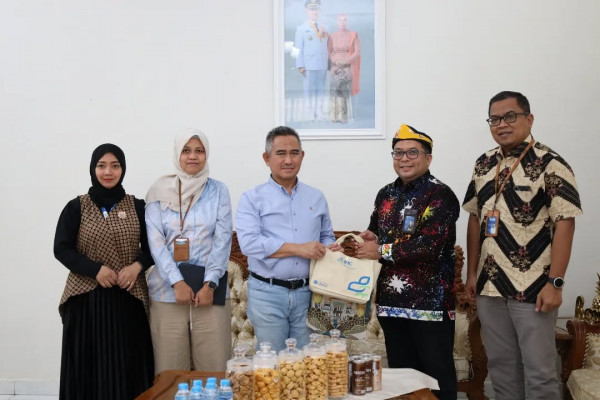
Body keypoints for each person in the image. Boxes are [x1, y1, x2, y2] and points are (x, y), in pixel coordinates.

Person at [463, 91, 582, 400]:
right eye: (495, 119)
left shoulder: (551, 163)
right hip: (490, 284)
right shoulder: (483, 163)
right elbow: (475, 218)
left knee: (540, 373)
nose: (502, 124)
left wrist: (555, 283)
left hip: (533, 287)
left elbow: (566, 222)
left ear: (529, 119)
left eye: (510, 116)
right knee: (501, 370)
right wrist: (472, 274)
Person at [355, 124, 459, 400]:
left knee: (436, 380)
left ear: (428, 158)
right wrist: (370, 237)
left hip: (429, 306)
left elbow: (430, 246)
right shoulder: (386, 194)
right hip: (391, 304)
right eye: (398, 152)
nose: (404, 158)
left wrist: (380, 250)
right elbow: (377, 230)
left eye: (413, 152)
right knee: (403, 382)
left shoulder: (440, 194)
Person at [54, 143, 154, 400]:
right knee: (86, 367)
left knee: (127, 364)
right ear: (93, 168)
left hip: (128, 298)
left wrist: (137, 266)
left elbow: (155, 248)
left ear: (123, 169)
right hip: (86, 302)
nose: (108, 172)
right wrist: (95, 270)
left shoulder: (138, 207)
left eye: (115, 165)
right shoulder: (76, 207)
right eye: (101, 165)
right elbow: (61, 248)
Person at [235, 126, 339, 352]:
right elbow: (249, 244)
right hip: (267, 293)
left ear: (302, 156)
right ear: (267, 158)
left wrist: (332, 249)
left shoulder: (316, 196)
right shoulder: (251, 198)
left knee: (305, 363)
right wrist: (298, 249)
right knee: (271, 361)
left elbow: (326, 236)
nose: (288, 160)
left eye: (294, 153)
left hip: (309, 293)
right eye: (281, 153)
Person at [145, 129, 232, 373]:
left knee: (214, 370)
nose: (192, 156)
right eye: (186, 150)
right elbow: (156, 243)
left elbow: (223, 240)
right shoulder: (158, 191)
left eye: (199, 150)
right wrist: (177, 282)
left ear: (206, 154)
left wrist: (210, 284)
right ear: (177, 154)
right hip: (167, 293)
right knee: (170, 371)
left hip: (209, 293)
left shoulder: (219, 191)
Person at [295, 0, 329, 121]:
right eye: (312, 9)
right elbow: (297, 48)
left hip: (322, 64)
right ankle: (309, 112)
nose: (314, 12)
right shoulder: (301, 28)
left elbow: (328, 46)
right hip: (308, 65)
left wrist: (329, 63)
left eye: (316, 9)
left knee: (321, 89)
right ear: (307, 11)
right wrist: (300, 65)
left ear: (320, 11)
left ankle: (319, 112)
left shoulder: (325, 28)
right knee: (309, 90)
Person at [327, 13, 361, 124]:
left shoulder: (353, 35)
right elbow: (329, 52)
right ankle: (334, 115)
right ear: (337, 22)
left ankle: (343, 116)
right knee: (334, 89)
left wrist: (346, 61)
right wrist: (335, 61)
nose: (342, 22)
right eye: (340, 20)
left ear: (347, 21)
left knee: (343, 89)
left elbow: (357, 52)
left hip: (347, 67)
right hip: (335, 67)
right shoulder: (332, 36)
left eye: (344, 20)